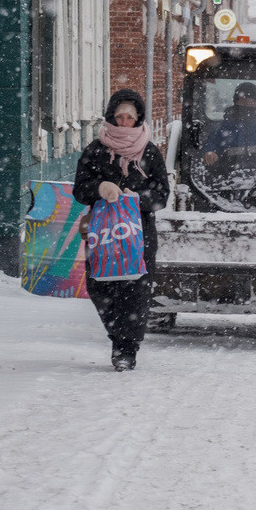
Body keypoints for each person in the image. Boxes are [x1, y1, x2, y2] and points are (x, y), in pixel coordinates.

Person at [73, 89, 170, 372]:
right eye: (119, 117)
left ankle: (126, 350)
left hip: (139, 233)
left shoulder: (149, 151)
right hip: (103, 232)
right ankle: (118, 335)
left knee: (135, 290)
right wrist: (100, 188)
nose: (125, 122)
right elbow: (80, 189)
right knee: (99, 287)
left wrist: (137, 197)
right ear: (111, 118)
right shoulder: (96, 149)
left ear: (138, 118)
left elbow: (162, 193)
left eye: (130, 117)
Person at [202, 82, 256, 167]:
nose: (247, 104)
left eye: (251, 101)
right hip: (227, 176)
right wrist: (211, 154)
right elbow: (210, 146)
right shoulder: (220, 128)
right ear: (235, 102)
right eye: (243, 100)